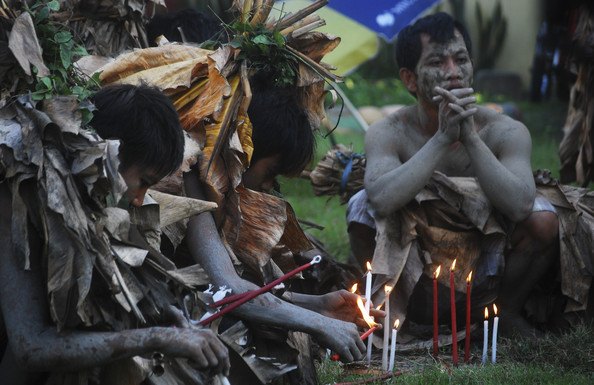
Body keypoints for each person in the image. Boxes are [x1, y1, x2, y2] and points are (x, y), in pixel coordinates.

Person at [0, 84, 230, 384]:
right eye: (143, 181)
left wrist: (155, 313)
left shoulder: (91, 200)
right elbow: (29, 348)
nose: (139, 199)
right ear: (109, 151)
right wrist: (154, 338)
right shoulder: (20, 194)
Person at [347, 12, 559, 337]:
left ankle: (504, 315)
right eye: (437, 62)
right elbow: (379, 200)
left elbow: (520, 205)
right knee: (359, 205)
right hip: (416, 274)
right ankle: (393, 313)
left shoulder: (505, 131)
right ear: (410, 79)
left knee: (544, 219)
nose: (453, 73)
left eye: (461, 59)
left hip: (487, 271)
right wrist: (443, 138)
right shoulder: (388, 132)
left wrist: (469, 137)